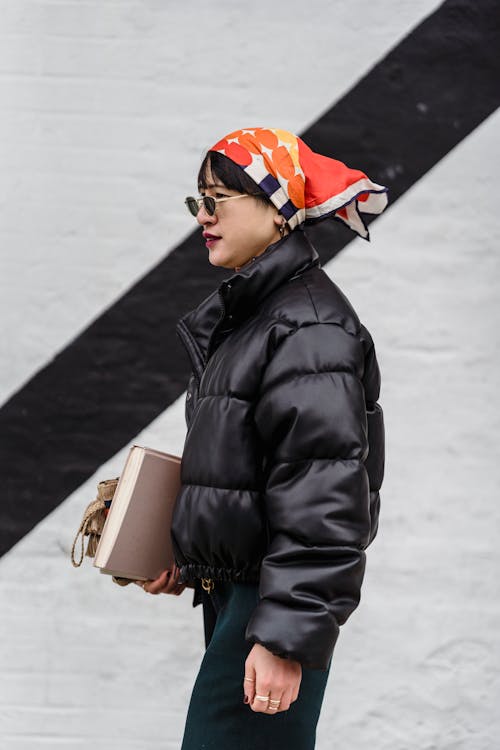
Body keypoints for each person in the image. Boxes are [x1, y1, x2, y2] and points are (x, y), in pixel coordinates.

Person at [140, 127, 387, 749]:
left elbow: (326, 499)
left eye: (219, 198)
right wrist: (191, 552)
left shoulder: (308, 327)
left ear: (278, 210)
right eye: (198, 199)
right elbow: (250, 474)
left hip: (269, 607)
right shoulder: (259, 319)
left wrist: (283, 637)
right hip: (244, 599)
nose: (204, 215)